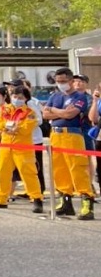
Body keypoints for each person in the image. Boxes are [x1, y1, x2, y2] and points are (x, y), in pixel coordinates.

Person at [42, 67, 94, 220]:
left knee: (77, 169)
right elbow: (45, 114)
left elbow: (71, 114)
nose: (60, 84)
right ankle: (65, 201)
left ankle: (86, 201)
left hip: (72, 134)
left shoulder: (80, 96)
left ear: (71, 81)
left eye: (63, 81)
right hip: (55, 134)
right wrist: (61, 112)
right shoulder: (55, 96)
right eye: (58, 81)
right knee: (59, 169)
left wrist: (53, 110)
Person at [0, 84, 43, 213]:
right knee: (2, 172)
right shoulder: (5, 110)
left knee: (28, 173)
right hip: (6, 147)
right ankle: (0, 199)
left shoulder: (30, 113)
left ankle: (36, 198)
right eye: (14, 96)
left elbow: (27, 128)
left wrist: (15, 129)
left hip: (22, 147)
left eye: (20, 97)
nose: (17, 99)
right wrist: (7, 128)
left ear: (26, 99)